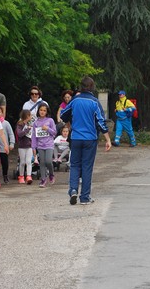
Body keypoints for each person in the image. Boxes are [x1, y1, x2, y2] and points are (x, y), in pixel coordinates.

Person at [60, 76, 111, 205]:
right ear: (92, 87)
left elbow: (63, 114)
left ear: (80, 87)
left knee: (75, 165)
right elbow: (101, 121)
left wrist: (71, 123)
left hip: (76, 138)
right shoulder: (94, 102)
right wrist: (107, 139)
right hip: (90, 139)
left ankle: (73, 190)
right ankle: (85, 197)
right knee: (87, 167)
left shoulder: (75, 100)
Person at [31, 104, 56, 188]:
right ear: (38, 111)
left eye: (44, 110)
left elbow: (54, 132)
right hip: (40, 145)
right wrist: (33, 147)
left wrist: (47, 129)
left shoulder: (50, 120)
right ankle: (43, 179)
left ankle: (51, 174)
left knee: (48, 161)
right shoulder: (36, 122)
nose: (42, 112)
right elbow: (34, 136)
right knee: (42, 162)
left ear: (47, 112)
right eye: (41, 110)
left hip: (49, 144)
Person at [0, 106, 15, 183]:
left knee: (4, 163)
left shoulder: (6, 123)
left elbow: (11, 134)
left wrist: (11, 143)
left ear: (2, 113)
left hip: (3, 147)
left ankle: (5, 176)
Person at [16, 109, 34, 184]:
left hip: (29, 145)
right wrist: (27, 130)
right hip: (21, 146)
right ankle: (21, 176)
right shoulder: (20, 124)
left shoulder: (30, 124)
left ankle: (29, 176)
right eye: (30, 115)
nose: (31, 117)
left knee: (28, 161)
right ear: (27, 116)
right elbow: (19, 134)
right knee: (22, 162)